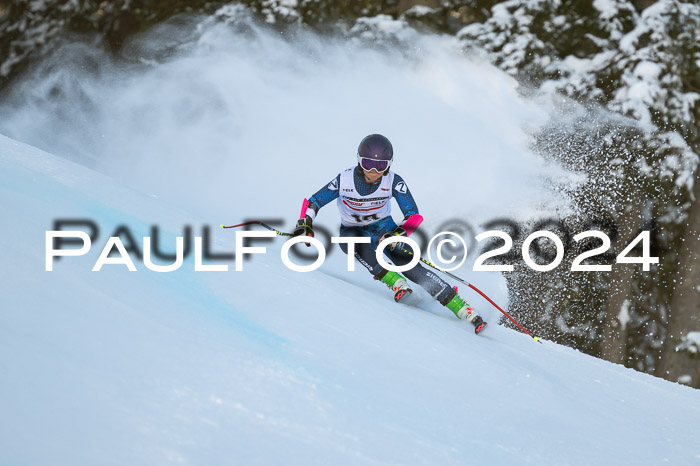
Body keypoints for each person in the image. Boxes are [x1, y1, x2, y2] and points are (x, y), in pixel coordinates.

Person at [293, 134, 487, 334]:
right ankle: (396, 283)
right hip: (354, 231)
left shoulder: (394, 181)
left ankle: (463, 308)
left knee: (411, 267)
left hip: (385, 230)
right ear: (359, 161)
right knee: (348, 242)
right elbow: (314, 201)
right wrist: (305, 224)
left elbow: (413, 216)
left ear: (389, 164)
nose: (374, 171)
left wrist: (397, 234)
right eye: (368, 164)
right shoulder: (345, 179)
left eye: (381, 165)